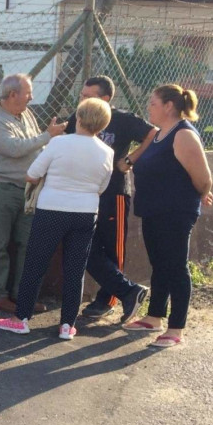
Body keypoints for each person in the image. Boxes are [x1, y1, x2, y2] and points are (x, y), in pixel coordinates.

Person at [0, 98, 113, 340]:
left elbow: (32, 175)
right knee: (75, 269)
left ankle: (21, 318)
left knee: (35, 264)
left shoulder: (58, 144)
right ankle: (68, 325)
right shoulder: (107, 152)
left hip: (51, 210)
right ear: (103, 124)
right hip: (86, 213)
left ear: (78, 118)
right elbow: (102, 187)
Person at [124, 84, 213, 348]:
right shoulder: (161, 134)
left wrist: (201, 193)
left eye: (152, 103)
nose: (148, 107)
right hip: (153, 210)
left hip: (175, 212)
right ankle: (154, 317)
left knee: (175, 266)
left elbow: (203, 178)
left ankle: (176, 328)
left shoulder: (183, 135)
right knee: (160, 264)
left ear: (169, 106)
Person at [66, 76, 155, 322]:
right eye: (81, 95)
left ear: (105, 99)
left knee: (112, 246)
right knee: (82, 245)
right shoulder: (78, 116)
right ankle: (128, 291)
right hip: (84, 191)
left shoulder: (123, 119)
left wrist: (129, 160)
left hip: (114, 190)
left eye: (88, 96)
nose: (82, 100)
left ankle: (109, 299)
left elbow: (153, 134)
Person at [0, 74, 66, 313]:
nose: (31, 97)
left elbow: (36, 145)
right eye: (28, 92)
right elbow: (14, 149)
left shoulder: (26, 114)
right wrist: (48, 136)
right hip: (1, 188)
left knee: (27, 244)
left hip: (28, 188)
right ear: (12, 95)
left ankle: (22, 295)